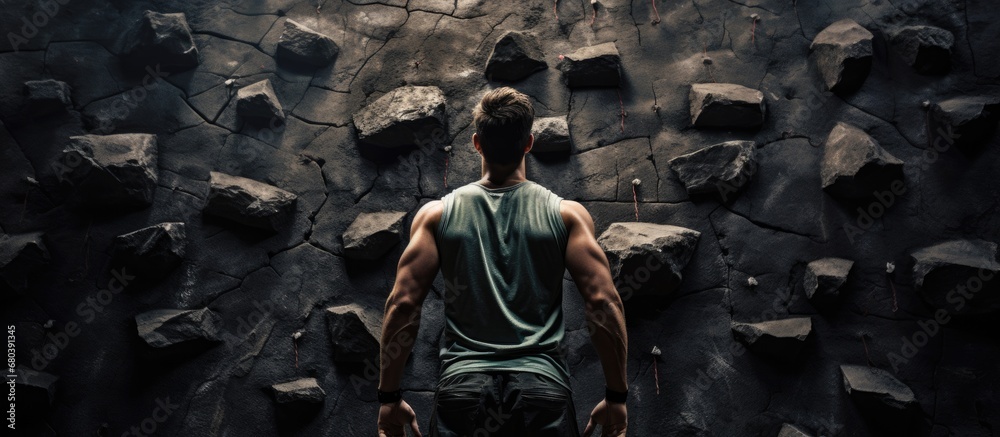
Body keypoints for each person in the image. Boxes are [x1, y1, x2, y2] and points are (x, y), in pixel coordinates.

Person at [376, 87, 628, 437]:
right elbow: (602, 301)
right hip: (541, 392)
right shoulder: (567, 216)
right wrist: (616, 396)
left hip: (464, 392)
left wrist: (388, 397)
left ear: (477, 143)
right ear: (529, 143)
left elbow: (403, 305)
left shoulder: (435, 216)